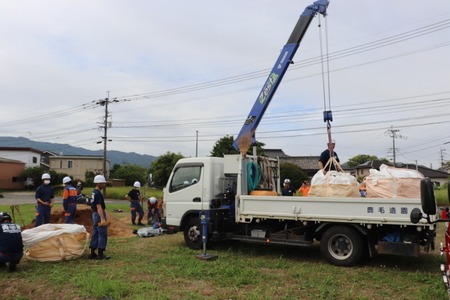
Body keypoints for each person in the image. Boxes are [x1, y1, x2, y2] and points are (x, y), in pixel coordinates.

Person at [89, 175, 110, 260]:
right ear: (99, 183)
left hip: (94, 214)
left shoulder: (94, 192)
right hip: (98, 214)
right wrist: (102, 218)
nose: (104, 184)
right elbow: (99, 206)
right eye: (103, 183)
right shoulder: (98, 194)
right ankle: (100, 253)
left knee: (95, 233)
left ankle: (92, 252)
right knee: (102, 233)